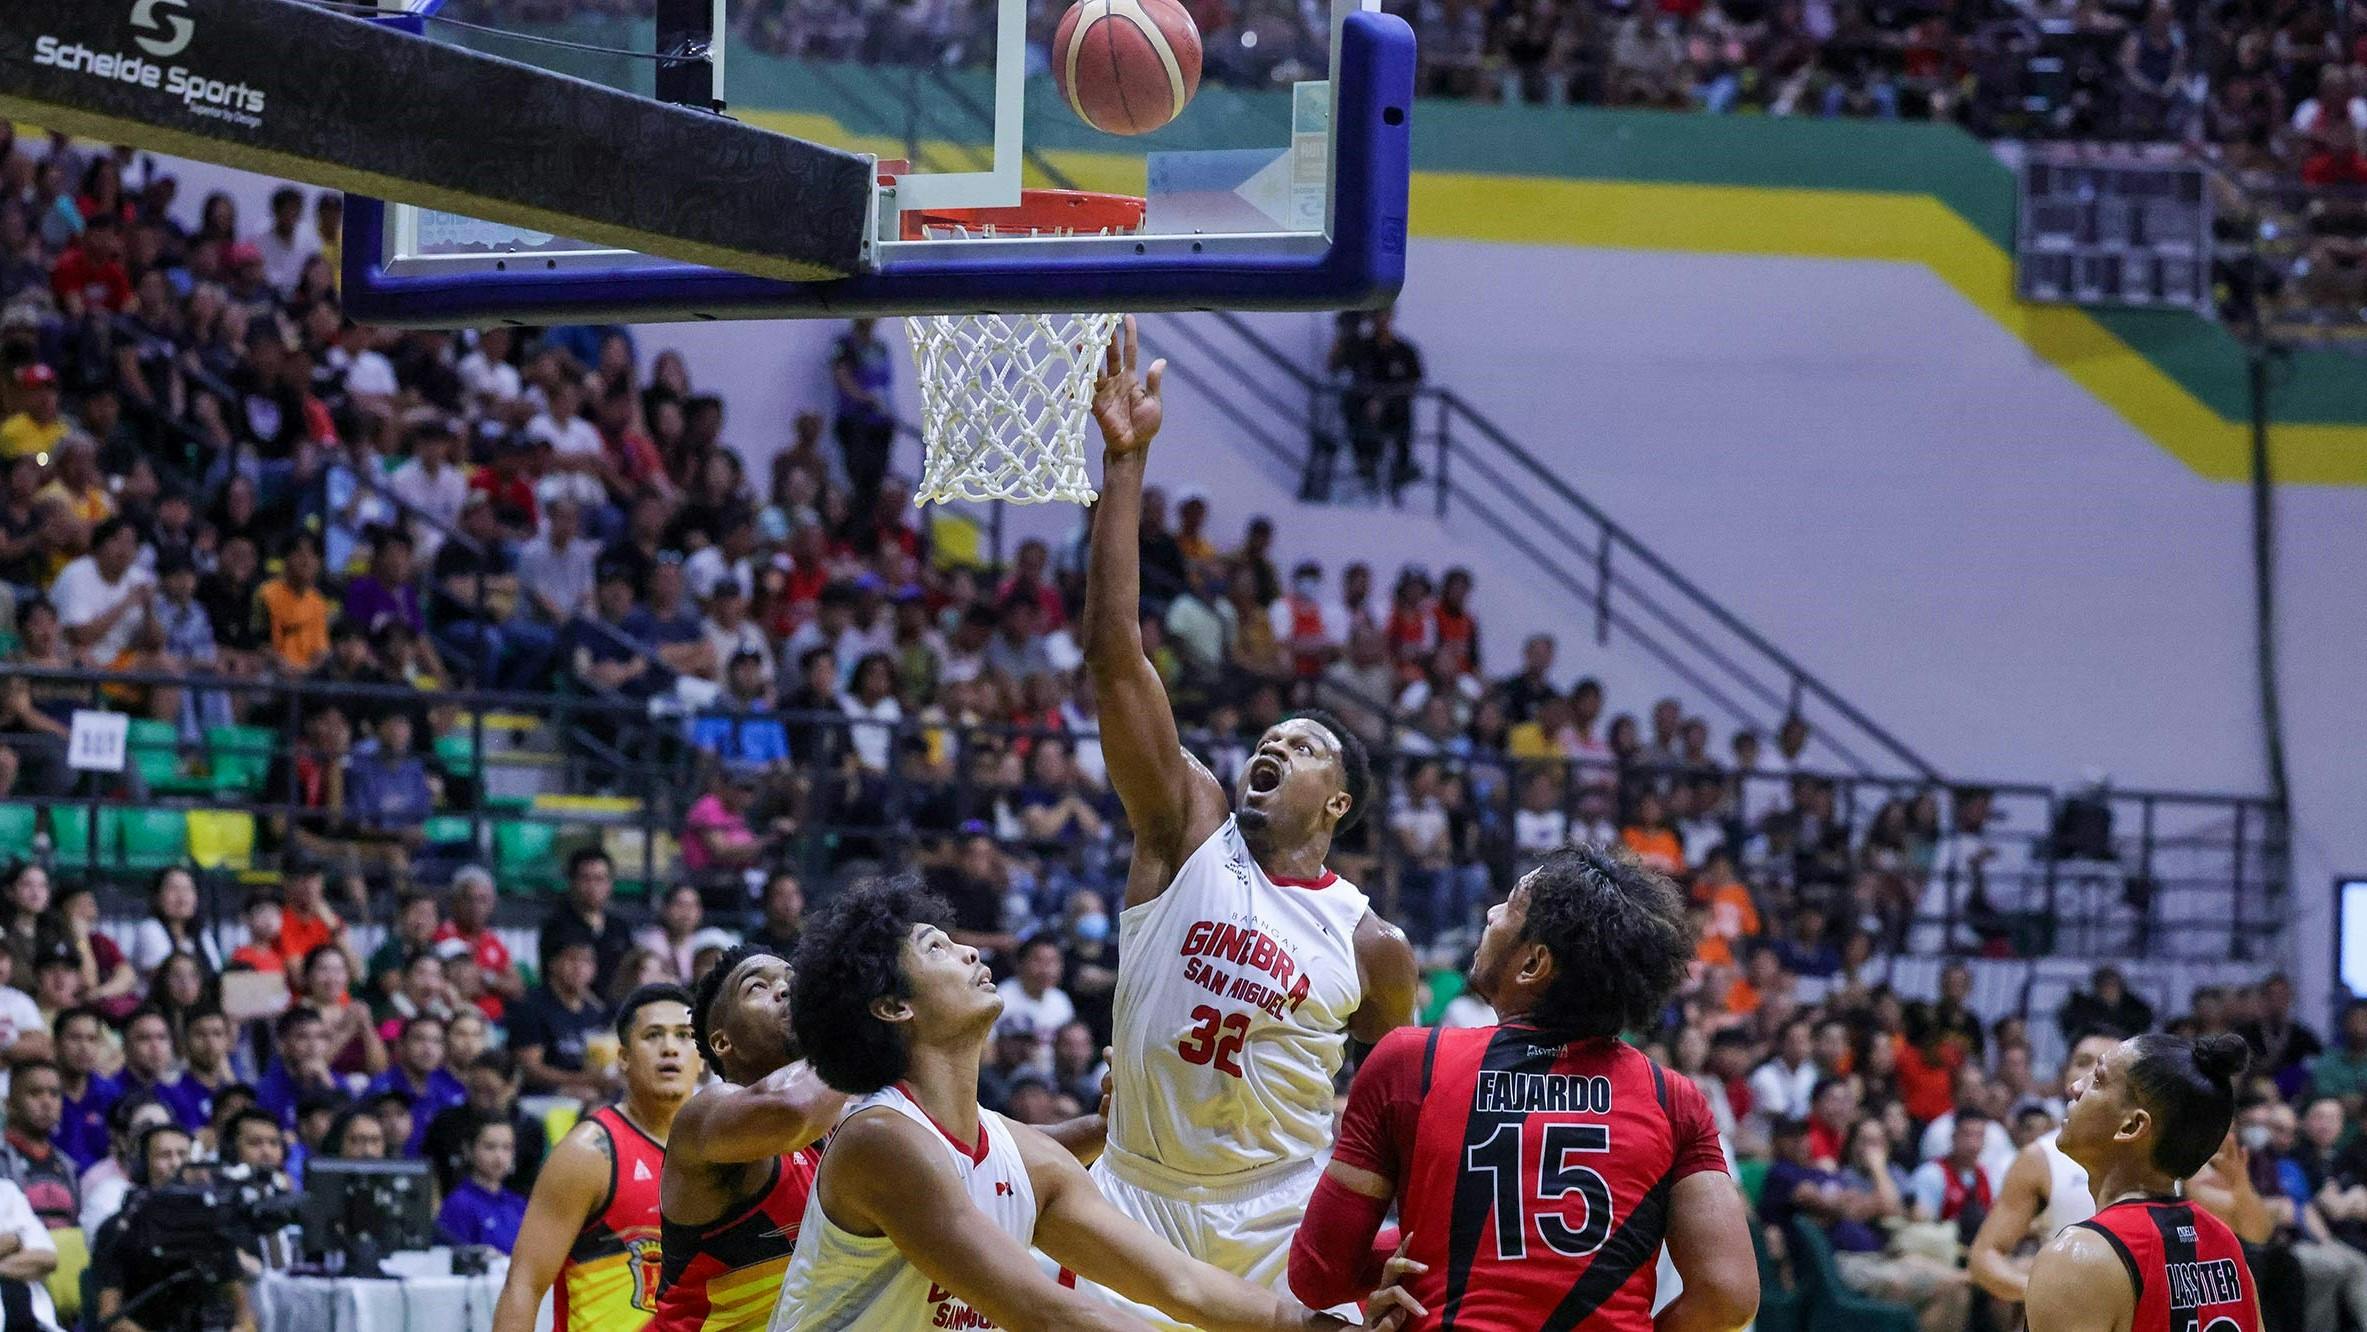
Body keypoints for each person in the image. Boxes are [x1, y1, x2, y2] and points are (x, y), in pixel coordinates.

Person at [1078, 318, 1416, 1317]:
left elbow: (1398, 1107)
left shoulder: (1371, 943)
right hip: (1136, 1194)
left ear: (1339, 802)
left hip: (1283, 1217)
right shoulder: (1187, 830)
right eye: (1272, 735)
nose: (1275, 745)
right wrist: (1126, 463)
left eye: (1304, 745)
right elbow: (1112, 659)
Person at [771, 878, 1409, 1332]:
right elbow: (1042, 1313)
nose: (971, 950)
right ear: (892, 1006)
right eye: (936, 948)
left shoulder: (1025, 1159)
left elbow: (1181, 1285)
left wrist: (1324, 1329)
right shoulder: (883, 1141)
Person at [1289, 847, 1756, 1330]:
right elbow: (1727, 1295)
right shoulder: (1673, 1098)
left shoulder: (1410, 1063)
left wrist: (1433, 1245)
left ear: (1533, 964)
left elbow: (1318, 1276)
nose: (1491, 913)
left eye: (1510, 906)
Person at [649, 946, 844, 1332]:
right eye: (757, 987)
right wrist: (848, 1027)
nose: (785, 990)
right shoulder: (705, 1114)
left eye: (791, 980)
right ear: (723, 1042)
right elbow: (792, 1109)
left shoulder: (836, 1114)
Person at [2024, 1033, 2262, 1332]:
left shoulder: (2079, 1256)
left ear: (2132, 1126)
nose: (2075, 1088)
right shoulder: (2225, 1244)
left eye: (2097, 1080)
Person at [494, 984, 699, 1332]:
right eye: (653, 1035)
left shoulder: (719, 1151)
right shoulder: (589, 1153)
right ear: (622, 1058)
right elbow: (523, 1286)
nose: (669, 1048)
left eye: (683, 1036)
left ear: (703, 1054)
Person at [1968, 1029, 2119, 1303]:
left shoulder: (2164, 1150)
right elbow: (1984, 1256)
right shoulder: (2040, 1157)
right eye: (2083, 1061)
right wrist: (2046, 1295)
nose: (2092, 1073)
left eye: (2105, 1064)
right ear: (2066, 1076)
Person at [511, 938, 617, 1101]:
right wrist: (584, 1081)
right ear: (553, 964)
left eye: (586, 961)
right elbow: (530, 1070)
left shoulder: (595, 1010)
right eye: (572, 959)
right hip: (542, 1095)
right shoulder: (530, 1006)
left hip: (590, 1090)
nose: (579, 967)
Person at [0, 1061, 78, 1229]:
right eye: (35, 1093)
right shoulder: (2, 1159)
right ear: (9, 1104)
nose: (47, 1102)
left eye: (54, 1094)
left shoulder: (67, 1166)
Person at [439, 1117, 528, 1252]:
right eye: (490, 1147)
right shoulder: (459, 1204)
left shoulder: (518, 1204)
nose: (499, 1156)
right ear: (468, 1150)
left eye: (507, 1147)